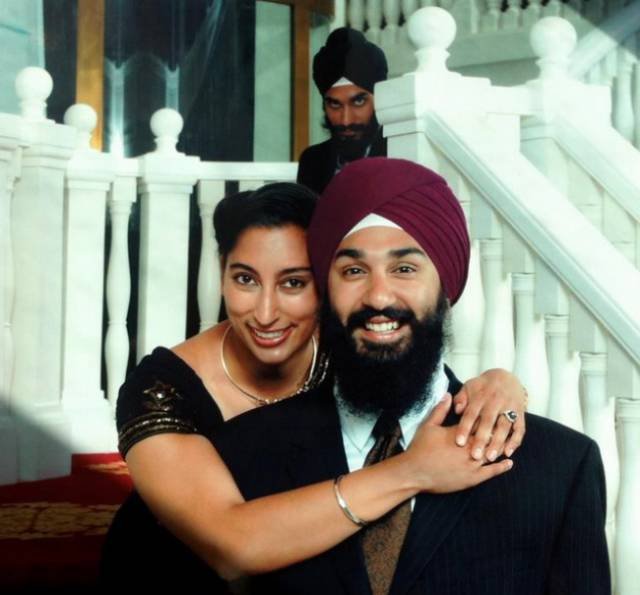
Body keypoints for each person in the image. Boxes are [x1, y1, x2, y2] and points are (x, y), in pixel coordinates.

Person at [100, 182, 526, 592]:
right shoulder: (160, 387)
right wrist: (411, 472)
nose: (266, 313)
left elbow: (421, 379)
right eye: (245, 279)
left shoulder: (345, 348)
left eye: (294, 283)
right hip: (171, 573)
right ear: (222, 273)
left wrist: (501, 385)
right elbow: (231, 546)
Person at [213, 159, 611, 595]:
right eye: (353, 271)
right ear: (327, 289)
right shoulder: (243, 452)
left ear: (446, 286)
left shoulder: (558, 465)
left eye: (404, 269)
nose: (378, 296)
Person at [297, 27, 387, 194]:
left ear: (379, 99)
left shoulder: (397, 151)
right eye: (335, 104)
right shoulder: (312, 161)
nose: (346, 120)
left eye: (358, 101)